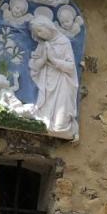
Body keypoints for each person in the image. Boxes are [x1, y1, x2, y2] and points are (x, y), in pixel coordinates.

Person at [26, 8, 79, 138]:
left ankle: (70, 130)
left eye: (40, 30)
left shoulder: (64, 42)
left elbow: (71, 67)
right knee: (45, 121)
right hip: (46, 86)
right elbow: (34, 66)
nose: (39, 34)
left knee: (59, 126)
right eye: (36, 33)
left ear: (48, 26)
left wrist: (54, 60)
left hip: (62, 84)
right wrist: (43, 59)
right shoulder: (44, 44)